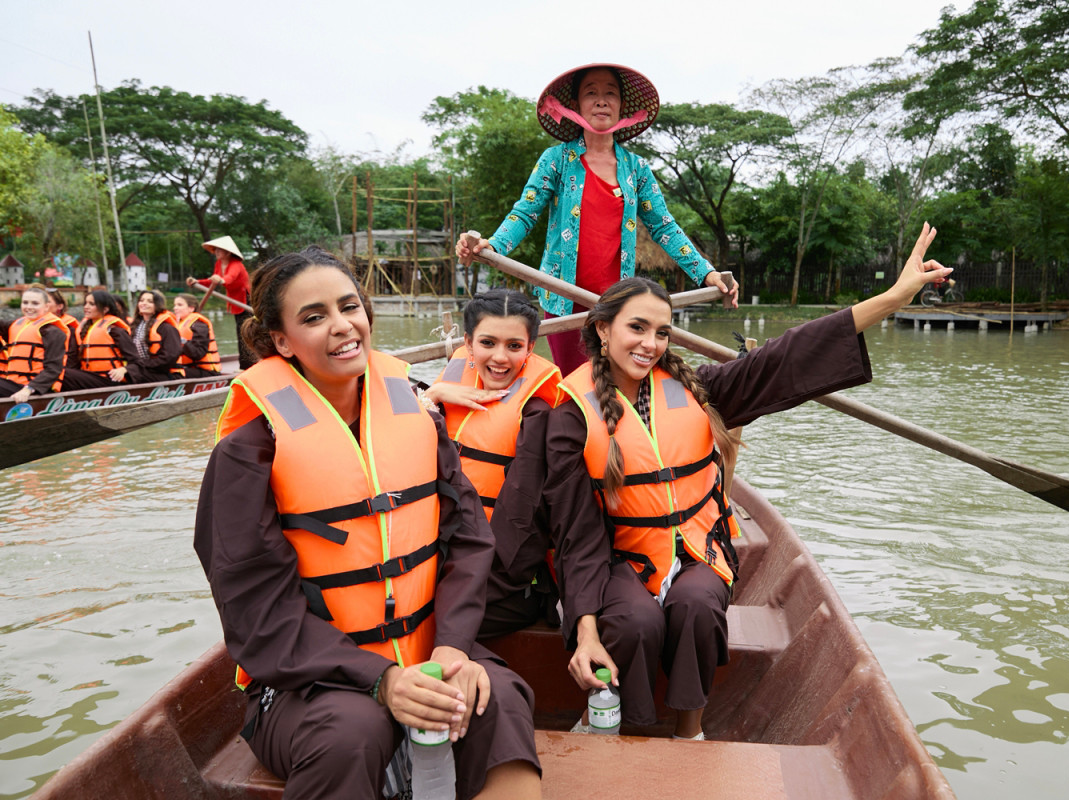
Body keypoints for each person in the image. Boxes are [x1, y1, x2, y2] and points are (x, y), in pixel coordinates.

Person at [547, 223, 951, 740]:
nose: (650, 344)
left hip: (698, 550)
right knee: (634, 623)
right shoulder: (571, 413)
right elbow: (575, 533)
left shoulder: (698, 389)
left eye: (662, 332)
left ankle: (690, 732)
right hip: (620, 558)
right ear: (603, 330)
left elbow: (787, 356)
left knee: (696, 607)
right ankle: (629, 731)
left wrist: (892, 299)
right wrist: (583, 628)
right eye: (637, 328)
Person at [194, 247, 541, 800]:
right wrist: (382, 681)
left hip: (426, 649)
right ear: (281, 342)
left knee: (496, 698)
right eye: (314, 317)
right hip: (305, 678)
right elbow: (255, 609)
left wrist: (454, 647)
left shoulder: (418, 417)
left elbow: (470, 540)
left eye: (349, 306)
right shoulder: (247, 450)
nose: (341, 326)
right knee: (351, 730)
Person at [456, 63, 738, 376]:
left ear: (621, 106)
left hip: (616, 304)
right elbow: (525, 213)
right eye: (591, 93)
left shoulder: (636, 169)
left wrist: (706, 273)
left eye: (610, 94)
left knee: (615, 381)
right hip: (563, 300)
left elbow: (664, 226)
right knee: (574, 381)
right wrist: (493, 245)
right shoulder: (557, 160)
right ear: (576, 104)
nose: (601, 101)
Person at [425, 289, 564, 638]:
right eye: (488, 343)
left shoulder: (536, 413)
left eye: (514, 346)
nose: (500, 358)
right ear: (468, 344)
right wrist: (431, 397)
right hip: (434, 552)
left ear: (530, 348)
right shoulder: (445, 391)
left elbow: (520, 525)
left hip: (496, 573)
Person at [189, 235, 254, 369]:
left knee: (244, 332)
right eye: (216, 250)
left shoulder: (236, 264)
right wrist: (197, 282)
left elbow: (230, 278)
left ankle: (247, 365)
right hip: (234, 300)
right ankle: (245, 364)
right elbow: (213, 280)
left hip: (245, 300)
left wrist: (222, 280)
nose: (216, 252)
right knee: (240, 331)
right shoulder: (219, 264)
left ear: (228, 252)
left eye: (219, 249)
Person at [0, 287, 70, 402]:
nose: (29, 307)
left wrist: (28, 389)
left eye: (35, 303)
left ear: (46, 306)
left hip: (34, 388)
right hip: (13, 383)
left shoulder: (53, 332)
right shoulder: (15, 325)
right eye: (25, 302)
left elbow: (53, 368)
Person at [60, 290, 133, 390]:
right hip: (90, 377)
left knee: (62, 373)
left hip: (111, 380)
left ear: (105, 309)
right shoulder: (84, 331)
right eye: (85, 303)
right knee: (57, 372)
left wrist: (123, 369)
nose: (86, 307)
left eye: (91, 304)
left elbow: (136, 361)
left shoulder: (115, 330)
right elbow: (74, 362)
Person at [110, 289, 182, 384]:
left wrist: (133, 368)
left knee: (129, 374)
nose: (144, 303)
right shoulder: (135, 326)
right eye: (141, 300)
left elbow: (170, 357)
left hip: (166, 373)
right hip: (143, 369)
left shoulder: (166, 328)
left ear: (157, 305)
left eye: (150, 301)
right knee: (113, 373)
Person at [171, 293, 222, 377]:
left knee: (171, 373)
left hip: (205, 371)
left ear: (191, 308)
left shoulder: (199, 325)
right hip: (188, 367)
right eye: (175, 305)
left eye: (179, 305)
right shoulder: (177, 324)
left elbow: (198, 353)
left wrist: (181, 340)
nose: (175, 308)